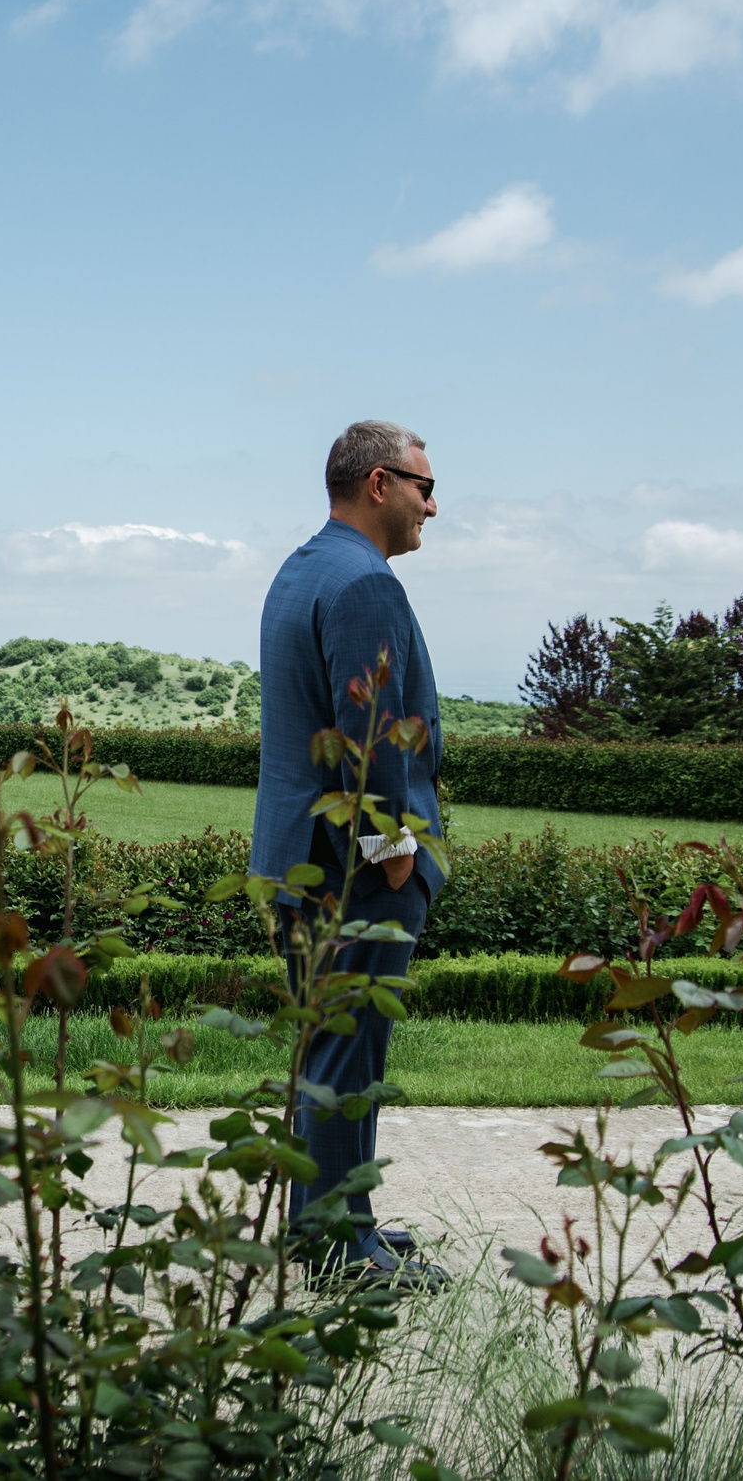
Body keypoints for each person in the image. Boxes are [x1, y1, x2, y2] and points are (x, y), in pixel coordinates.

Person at [253, 420, 446, 1281]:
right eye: (423, 487)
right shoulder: (366, 583)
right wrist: (393, 847)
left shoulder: (304, 568)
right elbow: (367, 727)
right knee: (347, 1052)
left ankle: (335, 1222)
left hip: (298, 857)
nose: (431, 507)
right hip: (354, 867)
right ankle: (340, 1251)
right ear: (378, 483)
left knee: (331, 1050)